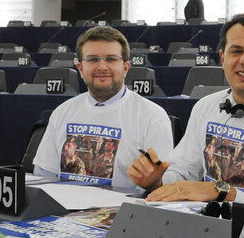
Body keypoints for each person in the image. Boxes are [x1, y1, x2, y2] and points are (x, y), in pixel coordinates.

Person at [128, 12, 244, 212]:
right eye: (236, 51)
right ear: (222, 58)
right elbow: (182, 172)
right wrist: (156, 182)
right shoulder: (205, 106)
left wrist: (224, 193)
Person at [33, 26, 174, 190]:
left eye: (111, 59)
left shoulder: (153, 116)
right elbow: (43, 177)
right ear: (80, 68)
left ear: (126, 68)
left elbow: (158, 187)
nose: (102, 67)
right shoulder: (62, 112)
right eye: (92, 59)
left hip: (123, 213)